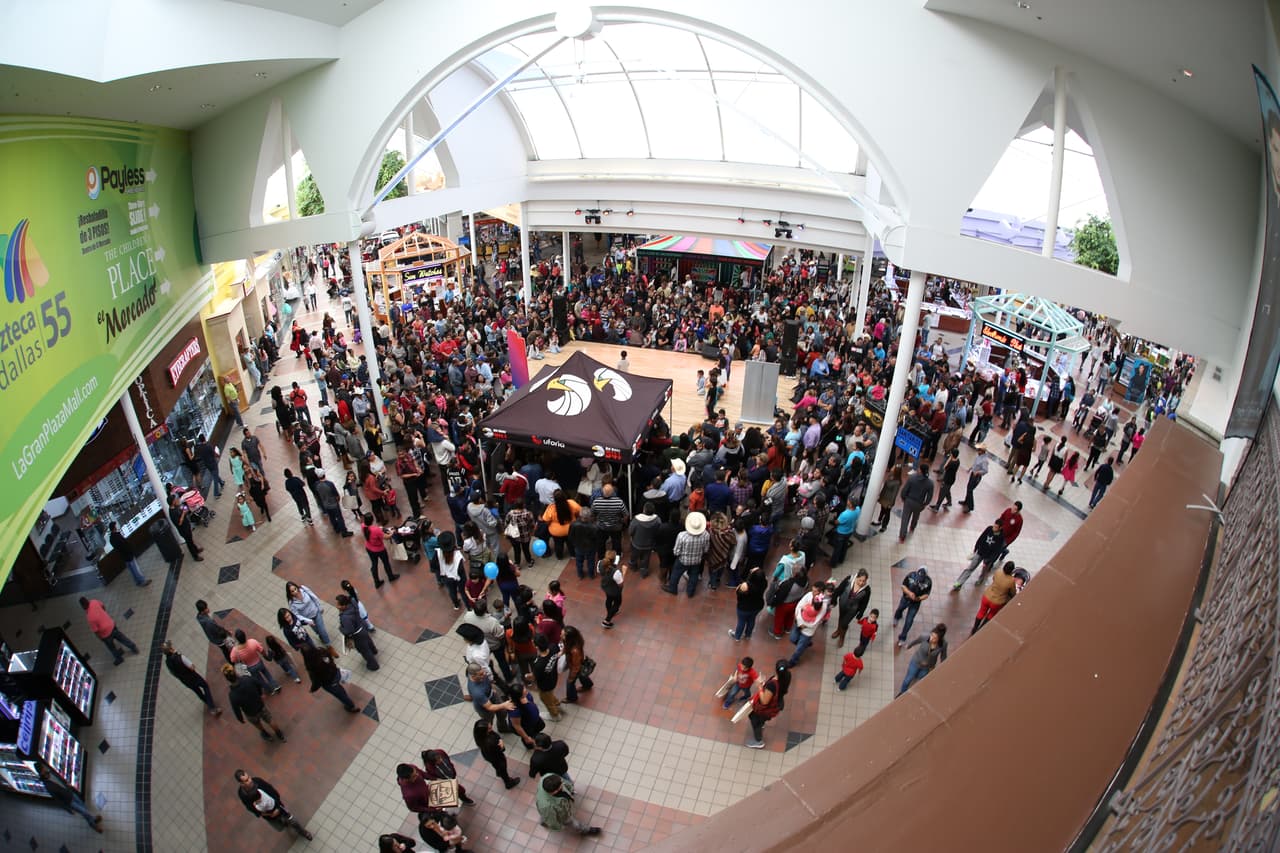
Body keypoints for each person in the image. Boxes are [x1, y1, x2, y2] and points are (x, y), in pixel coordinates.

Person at [234, 769, 312, 840]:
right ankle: (285, 824)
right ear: (241, 783)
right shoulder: (242, 795)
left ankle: (302, 832)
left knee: (292, 820)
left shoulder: (258, 781)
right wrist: (268, 814)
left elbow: (273, 792)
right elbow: (251, 808)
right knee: (280, 826)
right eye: (246, 780)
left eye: (249, 777)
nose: (250, 780)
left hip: (278, 807)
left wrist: (277, 807)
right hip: (269, 816)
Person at [225, 665, 287, 742]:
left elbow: (236, 709)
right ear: (235, 673)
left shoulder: (232, 695)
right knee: (270, 720)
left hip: (250, 713)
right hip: (260, 705)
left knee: (257, 724)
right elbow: (258, 684)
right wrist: (260, 693)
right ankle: (280, 735)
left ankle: (266, 734)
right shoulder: (247, 679)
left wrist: (240, 718)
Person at [37, 764, 103, 832]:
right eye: (43, 769)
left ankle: (93, 824)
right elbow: (58, 800)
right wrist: (68, 809)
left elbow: (61, 784)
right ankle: (94, 819)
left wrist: (69, 787)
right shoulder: (48, 786)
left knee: (84, 808)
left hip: (71, 793)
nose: (45, 770)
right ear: (41, 772)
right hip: (69, 801)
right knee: (83, 811)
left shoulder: (50, 774)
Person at [161, 640, 221, 715]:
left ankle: (209, 704)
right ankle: (212, 706)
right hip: (193, 676)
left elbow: (173, 673)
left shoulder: (168, 663)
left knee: (198, 692)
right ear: (170, 650)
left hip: (185, 680)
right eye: (171, 647)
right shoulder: (180, 657)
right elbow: (192, 667)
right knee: (205, 686)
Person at [744, 660, 792, 749]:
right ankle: (761, 723)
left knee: (754, 718)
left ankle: (758, 741)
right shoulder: (787, 675)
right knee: (760, 719)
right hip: (778, 702)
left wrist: (760, 687)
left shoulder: (772, 685)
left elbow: (764, 701)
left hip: (768, 708)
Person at [536, 774, 601, 837]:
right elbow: (552, 821)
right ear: (555, 791)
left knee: (546, 816)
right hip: (562, 815)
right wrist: (558, 827)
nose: (562, 785)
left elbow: (564, 782)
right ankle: (584, 830)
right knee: (573, 824)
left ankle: (543, 821)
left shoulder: (548, 777)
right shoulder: (547, 806)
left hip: (549, 810)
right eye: (560, 786)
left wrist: (570, 788)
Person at [80, 596, 139, 665]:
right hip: (112, 625)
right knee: (123, 638)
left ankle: (119, 659)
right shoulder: (94, 601)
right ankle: (134, 648)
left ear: (83, 606)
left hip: (106, 635)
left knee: (112, 648)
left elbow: (96, 631)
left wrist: (101, 639)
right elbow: (103, 607)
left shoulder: (89, 617)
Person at [951, 520, 1006, 590]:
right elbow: (981, 538)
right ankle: (959, 582)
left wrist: (988, 561)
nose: (993, 528)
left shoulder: (1001, 537)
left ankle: (981, 579)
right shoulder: (989, 529)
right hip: (980, 552)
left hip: (988, 557)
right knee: (970, 568)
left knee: (984, 570)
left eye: (996, 527)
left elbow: (996, 551)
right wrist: (976, 548)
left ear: (1000, 528)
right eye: (994, 525)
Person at [787, 582, 830, 667]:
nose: (812, 593)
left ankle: (793, 661)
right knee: (792, 639)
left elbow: (816, 622)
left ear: (820, 592)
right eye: (812, 590)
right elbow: (799, 607)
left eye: (815, 591)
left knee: (799, 649)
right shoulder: (809, 595)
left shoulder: (823, 606)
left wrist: (804, 625)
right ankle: (806, 643)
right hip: (798, 623)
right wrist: (800, 622)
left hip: (808, 630)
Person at [668, 511, 710, 596]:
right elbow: (706, 549)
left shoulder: (682, 535)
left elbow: (676, 551)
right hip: (697, 560)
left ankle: (673, 589)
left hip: (683, 560)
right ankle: (690, 592)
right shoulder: (706, 534)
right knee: (694, 576)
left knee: (675, 574)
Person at [898, 624, 948, 696]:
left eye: (935, 638)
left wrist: (943, 666)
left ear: (939, 639)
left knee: (919, 681)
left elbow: (943, 656)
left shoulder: (944, 644)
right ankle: (902, 693)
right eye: (932, 635)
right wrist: (909, 646)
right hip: (916, 661)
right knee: (908, 680)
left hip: (927, 667)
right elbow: (916, 641)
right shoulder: (924, 637)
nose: (931, 638)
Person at [473, 717, 521, 789]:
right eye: (489, 728)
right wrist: (501, 744)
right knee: (503, 769)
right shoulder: (490, 742)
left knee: (496, 766)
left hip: (488, 756)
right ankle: (508, 783)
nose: (491, 728)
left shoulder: (480, 737)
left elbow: (495, 736)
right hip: (497, 758)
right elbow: (501, 749)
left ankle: (499, 772)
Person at [972, 561, 1019, 634]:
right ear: (1012, 570)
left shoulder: (998, 572)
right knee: (991, 615)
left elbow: (994, 579)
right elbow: (1013, 592)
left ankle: (974, 629)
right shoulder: (1011, 580)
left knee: (981, 612)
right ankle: (981, 630)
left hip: (987, 596)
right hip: (997, 601)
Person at [893, 565, 933, 646]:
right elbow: (903, 586)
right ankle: (897, 617)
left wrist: (918, 598)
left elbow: (926, 594)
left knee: (909, 620)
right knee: (900, 608)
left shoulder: (928, 582)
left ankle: (902, 638)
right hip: (905, 599)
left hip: (915, 603)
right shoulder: (910, 575)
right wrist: (909, 593)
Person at [338, 593, 379, 670]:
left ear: (344, 606)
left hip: (358, 635)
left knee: (364, 650)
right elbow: (353, 598)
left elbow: (349, 631)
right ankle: (374, 651)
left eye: (338, 605)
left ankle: (373, 665)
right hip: (362, 626)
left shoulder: (345, 617)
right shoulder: (353, 603)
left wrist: (341, 628)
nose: (337, 606)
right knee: (368, 640)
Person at [831, 569, 871, 647]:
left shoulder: (867, 589)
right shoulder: (849, 579)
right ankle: (838, 630)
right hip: (843, 603)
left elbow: (864, 603)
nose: (861, 583)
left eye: (864, 581)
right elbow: (840, 589)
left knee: (845, 623)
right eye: (860, 580)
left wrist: (861, 613)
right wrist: (834, 599)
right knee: (841, 617)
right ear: (857, 577)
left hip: (853, 609)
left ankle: (842, 637)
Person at [729, 564, 768, 641]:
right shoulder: (764, 582)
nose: (753, 569)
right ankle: (748, 635)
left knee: (741, 621)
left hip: (744, 607)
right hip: (758, 605)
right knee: (752, 619)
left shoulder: (746, 585)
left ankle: (737, 636)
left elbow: (738, 592)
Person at [285, 581, 332, 645]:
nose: (295, 592)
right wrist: (307, 620)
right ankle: (321, 636)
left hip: (316, 612)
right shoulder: (292, 602)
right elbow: (296, 614)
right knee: (317, 631)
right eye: (292, 591)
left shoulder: (303, 589)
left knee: (322, 630)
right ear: (290, 593)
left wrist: (320, 607)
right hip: (308, 619)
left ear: (296, 587)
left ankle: (328, 644)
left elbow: (313, 597)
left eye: (295, 589)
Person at [361, 512, 400, 587]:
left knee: (374, 565)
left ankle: (377, 582)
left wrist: (380, 529)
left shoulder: (363, 526)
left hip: (369, 548)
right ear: (372, 520)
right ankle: (390, 577)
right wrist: (392, 532)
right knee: (386, 563)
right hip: (379, 549)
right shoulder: (375, 530)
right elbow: (386, 537)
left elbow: (372, 531)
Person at [897, 464, 934, 543]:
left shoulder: (912, 478)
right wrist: (925, 503)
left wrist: (903, 498)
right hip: (919, 503)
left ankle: (902, 536)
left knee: (905, 519)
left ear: (920, 470)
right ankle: (912, 527)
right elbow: (929, 496)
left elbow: (905, 490)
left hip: (909, 501)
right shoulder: (930, 483)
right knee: (916, 516)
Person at [108, 521, 150, 586]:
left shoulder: (111, 538)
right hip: (128, 554)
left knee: (131, 569)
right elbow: (124, 545)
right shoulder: (117, 536)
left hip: (123, 556)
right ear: (114, 527)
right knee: (135, 568)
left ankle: (137, 581)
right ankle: (143, 581)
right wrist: (131, 550)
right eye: (116, 525)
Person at [532, 635, 564, 721]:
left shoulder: (539, 664)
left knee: (546, 700)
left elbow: (535, 677)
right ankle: (556, 703)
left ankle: (555, 715)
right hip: (553, 678)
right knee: (550, 694)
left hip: (544, 686)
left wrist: (528, 676)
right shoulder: (553, 647)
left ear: (537, 647)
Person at [314, 469, 354, 537]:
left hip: (325, 504)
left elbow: (317, 495)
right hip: (334, 504)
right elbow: (336, 495)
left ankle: (336, 529)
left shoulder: (316, 484)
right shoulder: (329, 484)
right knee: (339, 517)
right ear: (324, 475)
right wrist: (337, 500)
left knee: (331, 517)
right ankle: (344, 532)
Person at [542, 489, 581, 559]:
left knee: (558, 544)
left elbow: (546, 521)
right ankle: (573, 555)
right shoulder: (572, 503)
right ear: (564, 496)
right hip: (570, 529)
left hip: (556, 532)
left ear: (554, 499)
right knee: (571, 543)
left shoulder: (551, 508)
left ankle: (559, 556)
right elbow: (579, 512)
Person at [561, 625, 593, 702]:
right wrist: (562, 651)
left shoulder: (575, 651)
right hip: (579, 663)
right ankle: (587, 685)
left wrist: (571, 677)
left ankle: (572, 697)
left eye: (562, 635)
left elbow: (576, 666)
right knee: (582, 675)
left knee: (570, 683)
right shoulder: (575, 641)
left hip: (575, 666)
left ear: (569, 638)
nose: (560, 636)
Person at [168, 493, 204, 560]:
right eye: (176, 500)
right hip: (184, 531)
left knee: (191, 540)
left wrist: (184, 508)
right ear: (173, 502)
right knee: (189, 543)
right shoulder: (172, 513)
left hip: (187, 527)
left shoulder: (176, 506)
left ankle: (196, 549)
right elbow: (179, 523)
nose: (177, 500)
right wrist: (183, 513)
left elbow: (183, 508)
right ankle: (195, 556)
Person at [960, 445, 990, 514]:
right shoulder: (978, 456)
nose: (977, 451)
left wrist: (978, 472)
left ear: (982, 451)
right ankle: (966, 501)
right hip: (973, 474)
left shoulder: (984, 460)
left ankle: (970, 506)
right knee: (968, 488)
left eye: (979, 450)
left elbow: (985, 470)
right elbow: (975, 464)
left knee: (970, 490)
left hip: (976, 477)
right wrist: (970, 469)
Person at [829, 497, 859, 566]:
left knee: (837, 548)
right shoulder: (858, 510)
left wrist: (834, 521)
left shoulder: (845, 514)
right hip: (850, 531)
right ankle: (841, 560)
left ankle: (833, 563)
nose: (847, 501)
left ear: (851, 505)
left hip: (841, 533)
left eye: (849, 501)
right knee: (844, 546)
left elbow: (837, 522)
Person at [600, 554, 627, 628]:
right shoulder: (616, 572)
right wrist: (624, 572)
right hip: (615, 591)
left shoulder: (600, 564)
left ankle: (610, 611)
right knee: (617, 603)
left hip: (606, 587)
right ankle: (607, 620)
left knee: (609, 599)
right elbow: (621, 584)